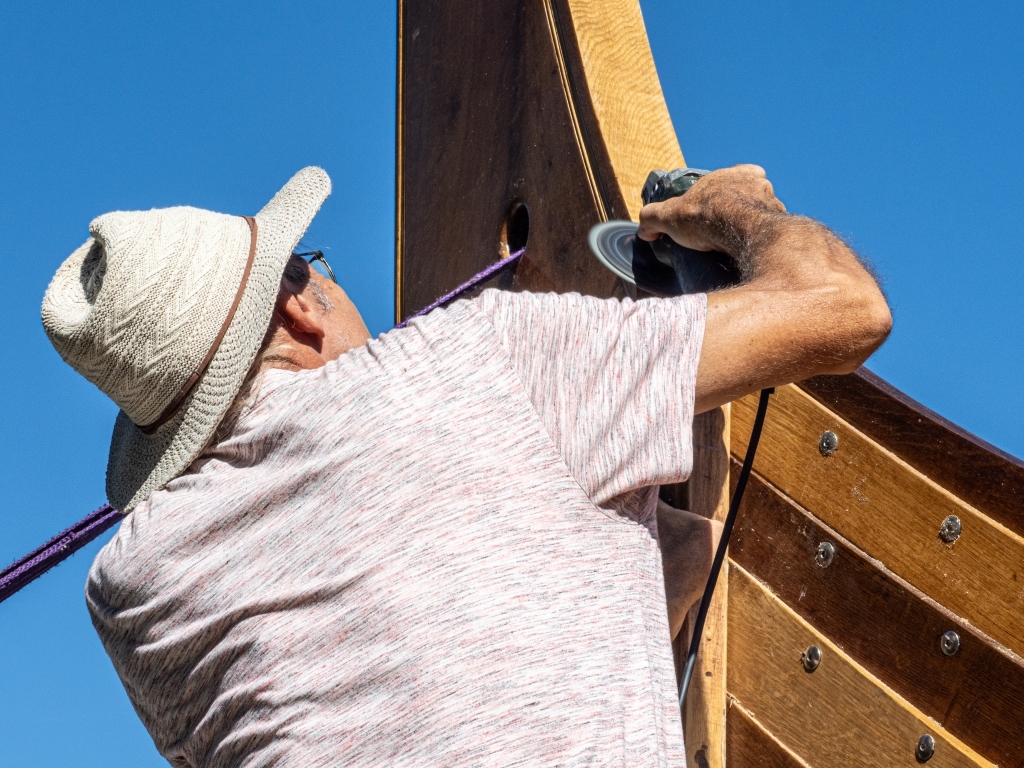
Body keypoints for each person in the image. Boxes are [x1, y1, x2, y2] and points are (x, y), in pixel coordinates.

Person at [42, 164, 890, 766]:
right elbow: (843, 308)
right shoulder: (475, 358)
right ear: (301, 305)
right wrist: (740, 212)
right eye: (322, 267)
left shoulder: (133, 594)